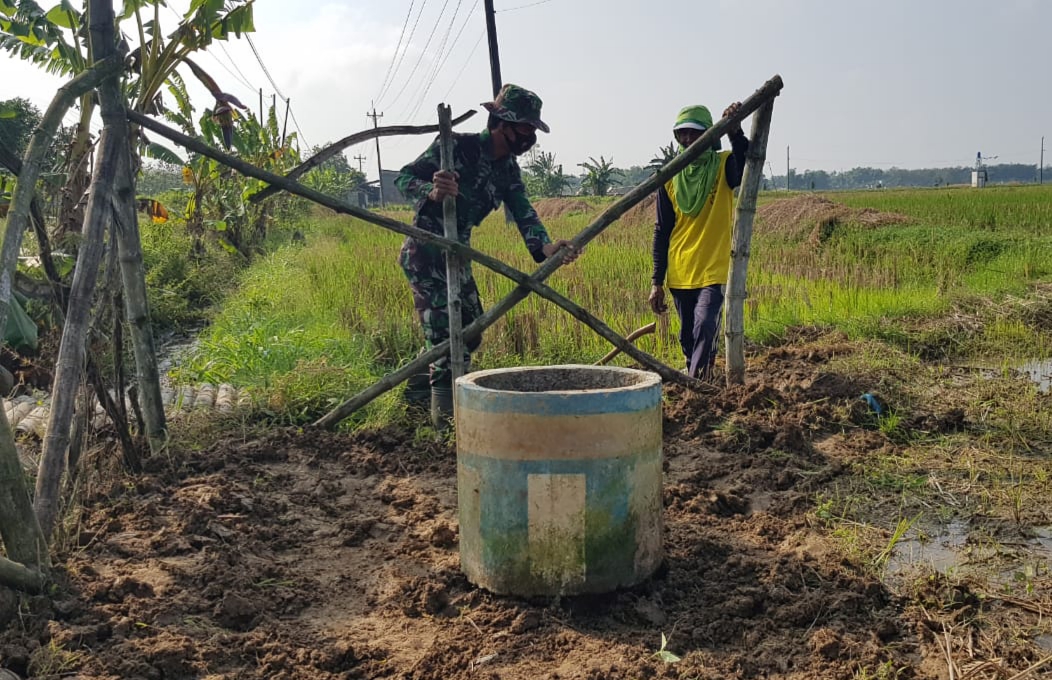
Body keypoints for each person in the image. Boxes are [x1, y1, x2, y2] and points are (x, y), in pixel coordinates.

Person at [396, 83, 578, 428]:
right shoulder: (454, 148)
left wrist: (545, 247)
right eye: (524, 128)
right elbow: (405, 177)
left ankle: (415, 401)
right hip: (427, 252)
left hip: (459, 254)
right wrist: (432, 191)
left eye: (532, 130)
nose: (529, 137)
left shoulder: (507, 169)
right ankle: (445, 423)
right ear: (501, 124)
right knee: (449, 339)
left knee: (471, 332)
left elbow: (524, 211)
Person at [648, 103, 749, 380]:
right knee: (687, 336)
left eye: (696, 134)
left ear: (709, 136)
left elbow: (747, 164)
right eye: (683, 134)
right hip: (680, 268)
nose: (689, 140)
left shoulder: (723, 164)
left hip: (712, 268)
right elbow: (662, 230)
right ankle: (698, 378)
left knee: (705, 325)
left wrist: (735, 130)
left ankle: (695, 386)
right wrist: (657, 281)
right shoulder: (669, 176)